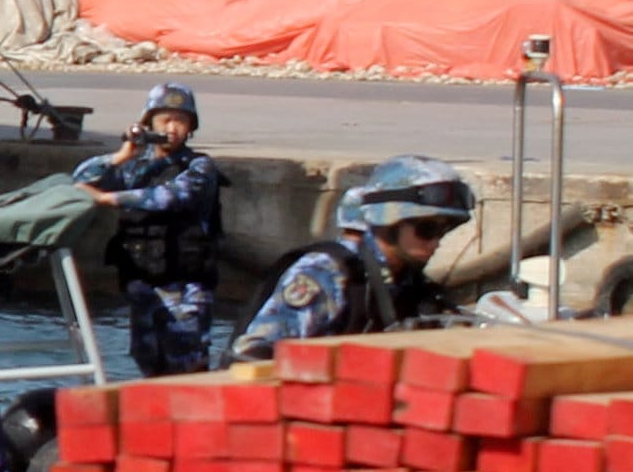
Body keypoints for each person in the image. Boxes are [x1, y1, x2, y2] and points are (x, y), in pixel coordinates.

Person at [230, 155, 477, 362]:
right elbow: (253, 354)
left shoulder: (411, 284)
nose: (436, 242)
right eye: (426, 230)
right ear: (390, 222)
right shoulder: (329, 273)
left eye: (443, 231)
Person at [74, 81, 223, 377]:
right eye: (164, 120)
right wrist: (121, 155)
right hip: (144, 284)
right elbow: (79, 179)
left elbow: (172, 196)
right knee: (148, 359)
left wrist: (108, 199)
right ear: (150, 122)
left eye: (180, 120)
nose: (172, 128)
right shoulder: (134, 166)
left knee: (188, 362)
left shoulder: (199, 168)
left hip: (185, 288)